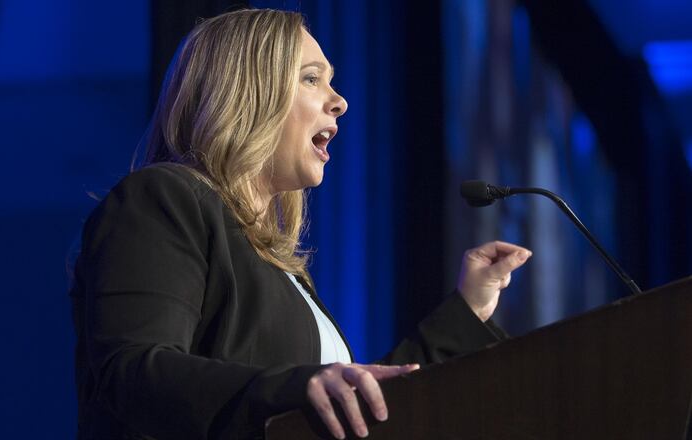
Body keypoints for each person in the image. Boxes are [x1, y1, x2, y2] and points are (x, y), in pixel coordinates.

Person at [69, 8, 532, 440]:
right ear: (247, 92)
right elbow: (133, 373)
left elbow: (357, 404)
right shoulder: (163, 197)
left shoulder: (277, 268)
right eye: (312, 79)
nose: (341, 102)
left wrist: (467, 312)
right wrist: (294, 388)